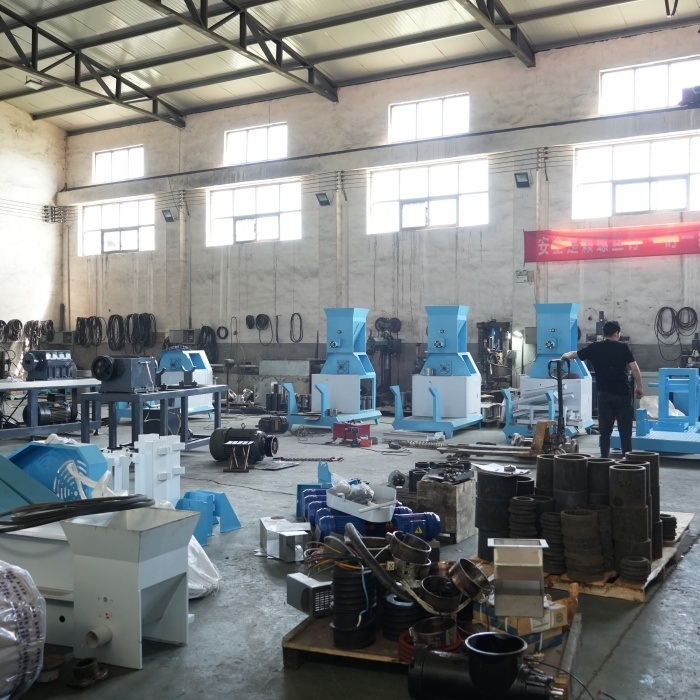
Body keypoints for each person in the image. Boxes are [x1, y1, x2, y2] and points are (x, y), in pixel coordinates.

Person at [561, 320, 643, 457]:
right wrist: (639, 386)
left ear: (604, 333)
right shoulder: (623, 347)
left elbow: (575, 354)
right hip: (623, 395)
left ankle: (604, 459)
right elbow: (634, 369)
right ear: (616, 334)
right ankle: (627, 459)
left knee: (605, 431)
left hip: (605, 395)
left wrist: (565, 356)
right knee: (625, 431)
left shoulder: (595, 347)